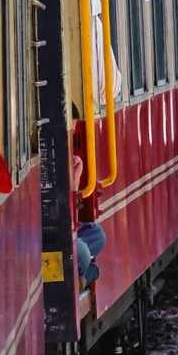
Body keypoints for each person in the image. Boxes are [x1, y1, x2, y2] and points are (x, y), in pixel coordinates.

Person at [70, 118, 106, 286]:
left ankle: (83, 272)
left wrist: (75, 178)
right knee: (82, 251)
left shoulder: (72, 159)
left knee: (97, 234)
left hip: (71, 232)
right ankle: (82, 277)